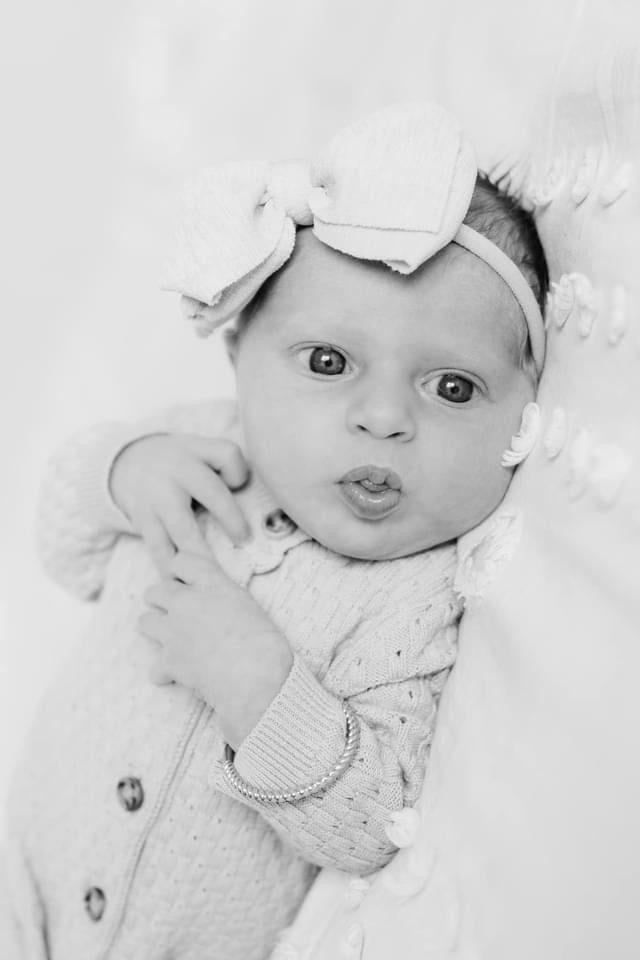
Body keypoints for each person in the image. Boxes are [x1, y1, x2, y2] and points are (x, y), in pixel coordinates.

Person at [5, 103, 548, 960]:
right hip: (20, 874)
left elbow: (374, 823)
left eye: (450, 387)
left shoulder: (422, 602)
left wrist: (261, 685)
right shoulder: (198, 446)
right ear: (238, 352)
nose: (382, 417)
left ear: (528, 412)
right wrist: (118, 470)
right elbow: (59, 541)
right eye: (329, 363)